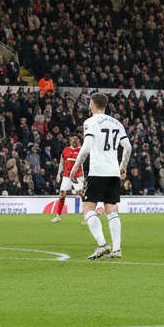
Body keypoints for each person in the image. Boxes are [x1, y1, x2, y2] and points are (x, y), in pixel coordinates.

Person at [70, 92, 131, 260]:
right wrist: (122, 166)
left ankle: (103, 245)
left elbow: (86, 147)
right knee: (111, 209)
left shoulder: (90, 122)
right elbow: (128, 147)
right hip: (113, 172)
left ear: (92, 105)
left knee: (88, 208)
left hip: (98, 171)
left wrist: (75, 166)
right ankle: (117, 249)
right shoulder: (117, 123)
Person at [52, 135, 84, 223]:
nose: (74, 141)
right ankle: (58, 216)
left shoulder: (81, 150)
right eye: (73, 139)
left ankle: (86, 215)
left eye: (76, 139)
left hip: (78, 175)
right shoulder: (65, 150)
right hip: (66, 175)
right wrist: (58, 174)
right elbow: (61, 162)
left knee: (81, 194)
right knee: (62, 195)